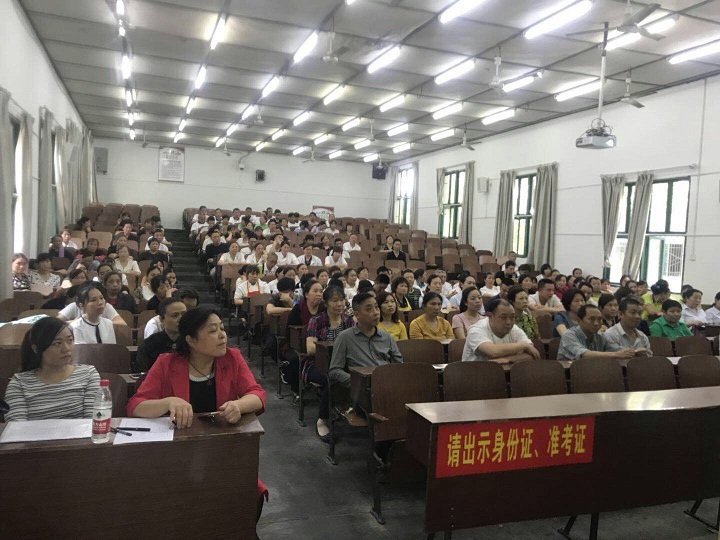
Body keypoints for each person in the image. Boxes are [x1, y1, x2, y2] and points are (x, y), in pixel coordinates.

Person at [126, 308, 268, 512]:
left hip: (219, 448)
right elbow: (135, 406)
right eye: (213, 331)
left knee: (248, 493)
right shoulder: (166, 363)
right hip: (176, 453)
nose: (222, 335)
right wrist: (168, 402)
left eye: (222, 328)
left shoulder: (232, 358)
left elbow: (257, 394)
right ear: (191, 340)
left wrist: (238, 405)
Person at [4, 317, 101, 421]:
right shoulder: (20, 383)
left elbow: (93, 421)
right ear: (36, 348)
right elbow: (16, 427)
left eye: (70, 341)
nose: (66, 348)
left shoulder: (88, 374)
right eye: (57, 343)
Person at [305, 286, 355, 441]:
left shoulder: (348, 320)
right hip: (317, 364)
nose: (339, 304)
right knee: (331, 378)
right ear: (326, 303)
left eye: (342, 300)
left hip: (343, 364)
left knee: (357, 376)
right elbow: (310, 348)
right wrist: (333, 350)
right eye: (334, 300)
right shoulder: (316, 320)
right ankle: (322, 419)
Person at [328, 293, 403, 388]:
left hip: (388, 384)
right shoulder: (345, 338)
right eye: (369, 309)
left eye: (376, 307)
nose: (376, 312)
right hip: (363, 389)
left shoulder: (386, 337)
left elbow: (399, 365)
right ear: (357, 315)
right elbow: (334, 371)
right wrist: (359, 383)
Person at [462, 298, 540, 363]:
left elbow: (533, 354)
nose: (509, 322)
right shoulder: (476, 330)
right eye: (503, 317)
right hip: (474, 374)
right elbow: (493, 351)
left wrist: (508, 359)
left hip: (505, 374)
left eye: (512, 317)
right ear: (490, 316)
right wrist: (524, 345)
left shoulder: (514, 329)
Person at [557, 304, 638, 362]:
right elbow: (583, 355)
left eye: (599, 319)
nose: (596, 323)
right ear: (579, 320)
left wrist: (634, 352)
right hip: (570, 376)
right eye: (592, 319)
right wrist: (617, 354)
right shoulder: (569, 335)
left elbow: (615, 349)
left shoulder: (600, 337)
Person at [136, 298, 187, 372]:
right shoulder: (148, 345)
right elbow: (143, 373)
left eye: (184, 314)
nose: (181, 319)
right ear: (162, 319)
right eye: (175, 315)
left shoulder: (192, 343)